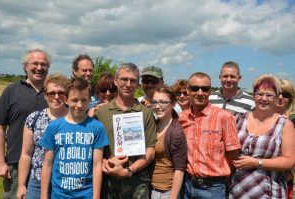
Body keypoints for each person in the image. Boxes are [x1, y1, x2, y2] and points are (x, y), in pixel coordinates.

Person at [94, 63, 157, 199]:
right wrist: (106, 163)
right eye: (124, 79)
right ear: (116, 81)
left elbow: (150, 152)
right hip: (108, 181)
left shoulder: (145, 113)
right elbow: (93, 148)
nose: (128, 84)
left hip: (137, 183)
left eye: (133, 80)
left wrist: (128, 171)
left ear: (137, 84)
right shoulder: (101, 113)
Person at [40, 77, 109, 199]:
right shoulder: (54, 127)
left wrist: (96, 196)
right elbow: (47, 163)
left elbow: (97, 165)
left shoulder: (96, 127)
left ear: (89, 101)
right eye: (75, 100)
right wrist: (43, 195)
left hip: (86, 194)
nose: (79, 105)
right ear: (66, 100)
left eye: (84, 100)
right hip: (59, 194)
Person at [0, 49, 50, 199]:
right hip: (16, 162)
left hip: (48, 163)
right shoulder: (11, 91)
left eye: (43, 64)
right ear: (25, 66)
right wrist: (0, 162)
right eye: (35, 63)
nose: (39, 67)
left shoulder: (54, 93)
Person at [229, 75, 295, 199]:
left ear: (276, 97)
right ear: (253, 95)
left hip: (269, 191)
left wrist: (256, 163)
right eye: (260, 94)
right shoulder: (238, 119)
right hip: (238, 188)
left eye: (269, 95)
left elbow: (289, 161)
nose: (264, 98)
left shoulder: (285, 125)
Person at [179, 72, 241, 198]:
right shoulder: (181, 118)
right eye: (195, 88)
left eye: (205, 89)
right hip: (187, 184)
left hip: (213, 188)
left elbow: (233, 155)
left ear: (210, 91)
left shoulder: (224, 117)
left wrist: (220, 179)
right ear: (188, 90)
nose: (200, 93)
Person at [16, 73, 69, 199]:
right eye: (52, 93)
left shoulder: (76, 119)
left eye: (61, 93)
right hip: (37, 183)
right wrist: (21, 185)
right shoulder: (34, 118)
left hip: (67, 183)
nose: (56, 97)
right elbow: (26, 154)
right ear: (45, 96)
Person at [150, 85, 187, 199]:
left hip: (166, 192)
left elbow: (179, 170)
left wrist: (173, 197)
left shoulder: (176, 132)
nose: (157, 106)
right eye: (154, 102)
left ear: (173, 104)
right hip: (151, 188)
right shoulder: (154, 125)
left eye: (163, 102)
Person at [275, 79, 295, 199]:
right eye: (278, 93)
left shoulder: (293, 120)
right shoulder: (260, 117)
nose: (281, 97)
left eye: (286, 94)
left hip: (284, 178)